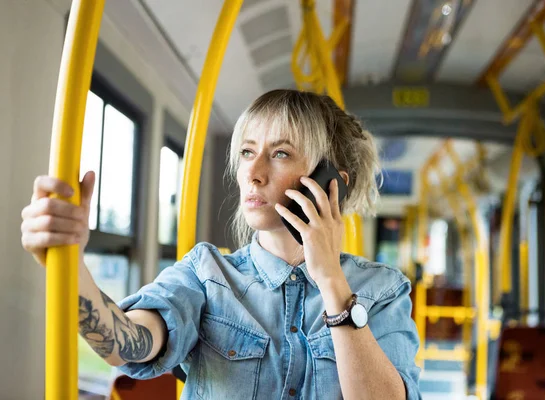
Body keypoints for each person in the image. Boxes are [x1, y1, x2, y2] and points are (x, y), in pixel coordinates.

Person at [21, 89, 421, 399]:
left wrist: (332, 283)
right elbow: (127, 343)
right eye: (247, 152)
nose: (253, 173)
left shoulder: (381, 292)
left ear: (330, 182)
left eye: (280, 153)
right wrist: (71, 264)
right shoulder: (207, 275)